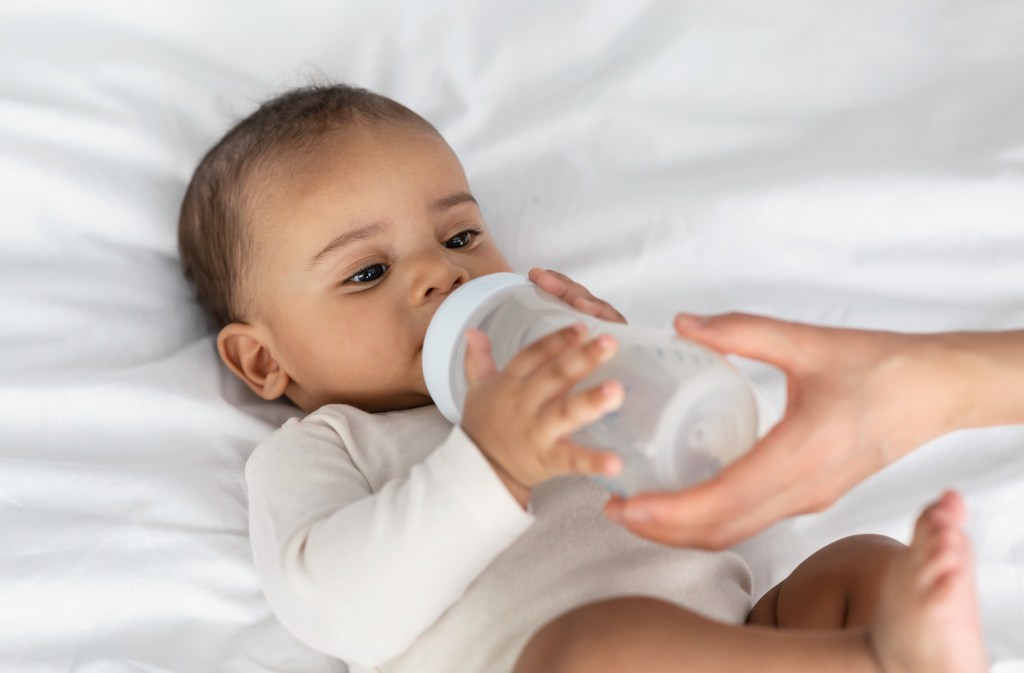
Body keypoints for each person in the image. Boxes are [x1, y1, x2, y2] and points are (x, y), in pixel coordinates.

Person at [177, 83, 988, 673]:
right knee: (604, 642)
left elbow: (708, 473)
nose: (438, 275)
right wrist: (490, 465)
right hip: (566, 660)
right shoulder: (327, 447)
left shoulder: (559, 368)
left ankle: (896, 653)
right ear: (263, 360)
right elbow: (341, 609)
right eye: (368, 272)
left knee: (860, 567)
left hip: (742, 640)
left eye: (459, 236)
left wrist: (622, 362)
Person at [603, 315, 1024, 549]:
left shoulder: (727, 414)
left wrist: (603, 334)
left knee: (862, 560)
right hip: (611, 624)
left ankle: (891, 651)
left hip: (735, 613)